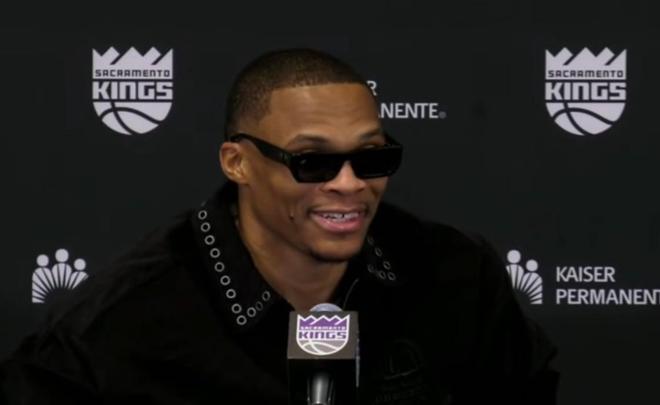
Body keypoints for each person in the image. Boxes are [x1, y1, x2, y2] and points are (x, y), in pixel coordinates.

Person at [0, 48, 559, 404]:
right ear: (237, 163)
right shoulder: (119, 324)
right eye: (312, 162)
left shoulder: (457, 275)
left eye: (371, 158)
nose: (349, 184)